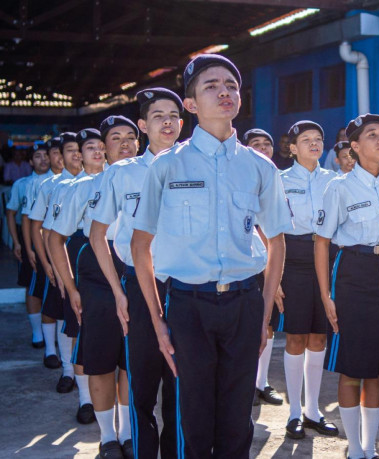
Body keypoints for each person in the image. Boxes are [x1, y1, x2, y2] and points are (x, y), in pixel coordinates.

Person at [131, 54, 292, 458]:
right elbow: (139, 245)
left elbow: (277, 240)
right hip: (188, 304)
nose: (224, 92)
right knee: (193, 418)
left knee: (239, 418)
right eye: (211, 86)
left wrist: (263, 314)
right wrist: (157, 319)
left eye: (232, 86)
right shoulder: (167, 165)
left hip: (242, 303)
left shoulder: (259, 166)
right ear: (190, 105)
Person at [90, 92, 183, 459]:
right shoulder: (122, 173)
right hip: (139, 285)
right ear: (143, 126)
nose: (167, 122)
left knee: (180, 386)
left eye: (174, 115)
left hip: (186, 286)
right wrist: (117, 290)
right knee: (142, 386)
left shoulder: (193, 167)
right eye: (158, 116)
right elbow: (98, 236)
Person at [316, 114, 379, 459]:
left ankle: (369, 446)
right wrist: (326, 295)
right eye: (372, 136)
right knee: (353, 366)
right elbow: (322, 242)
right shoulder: (339, 187)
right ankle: (354, 448)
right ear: (354, 147)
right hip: (353, 273)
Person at [47, 127, 134, 457]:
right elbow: (55, 238)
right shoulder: (84, 187)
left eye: (129, 138)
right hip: (97, 275)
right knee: (100, 360)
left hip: (139, 270)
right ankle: (107, 436)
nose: (123, 144)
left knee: (131, 359)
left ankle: (127, 433)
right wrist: (70, 288)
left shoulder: (150, 176)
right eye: (114, 140)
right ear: (104, 151)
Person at [276, 120, 338, 439]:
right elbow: (268, 227)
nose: (314, 144)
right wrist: (273, 277)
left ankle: (313, 410)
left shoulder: (335, 180)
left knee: (319, 337)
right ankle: (293, 413)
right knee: (296, 337)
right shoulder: (280, 180)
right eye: (306, 140)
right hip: (294, 258)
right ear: (292, 147)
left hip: (327, 256)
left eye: (318, 139)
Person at [29, 132, 84, 372]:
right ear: (60, 156)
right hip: (61, 256)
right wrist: (48, 264)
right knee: (63, 314)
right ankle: (67, 370)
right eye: (69, 150)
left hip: (90, 259)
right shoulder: (52, 186)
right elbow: (42, 228)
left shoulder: (102, 179)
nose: (75, 155)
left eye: (77, 149)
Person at [20, 138, 61, 347]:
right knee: (42, 292)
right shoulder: (37, 184)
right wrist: (29, 249)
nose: (47, 159)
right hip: (43, 247)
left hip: (67, 249)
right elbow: (29, 220)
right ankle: (47, 345)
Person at [6, 145, 47, 346]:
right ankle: (37, 333)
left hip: (52, 235)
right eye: (37, 157)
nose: (43, 160)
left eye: (46, 155)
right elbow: (11, 213)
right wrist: (16, 241)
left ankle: (52, 333)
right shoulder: (22, 184)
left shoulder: (58, 182)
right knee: (32, 284)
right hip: (28, 237)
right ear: (31, 162)